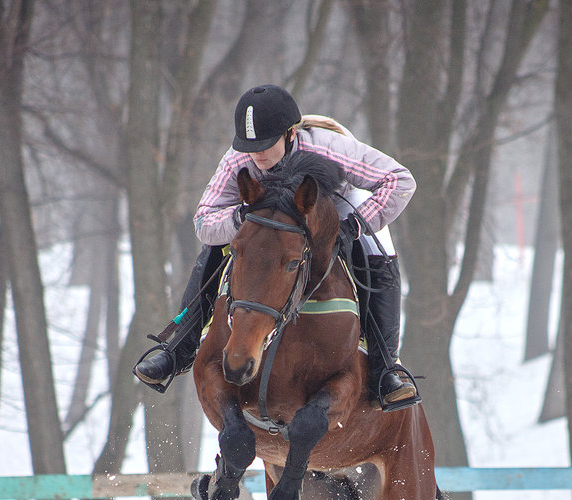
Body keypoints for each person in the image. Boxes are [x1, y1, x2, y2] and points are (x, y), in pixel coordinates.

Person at [135, 84, 419, 410]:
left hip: (333, 205)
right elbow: (204, 222)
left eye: (266, 145)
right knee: (217, 247)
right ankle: (178, 350)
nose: (257, 154)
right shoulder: (237, 160)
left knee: (375, 246)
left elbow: (400, 179)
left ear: (289, 135)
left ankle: (385, 369)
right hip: (267, 221)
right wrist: (241, 217)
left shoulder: (330, 147)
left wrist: (353, 224)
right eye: (249, 146)